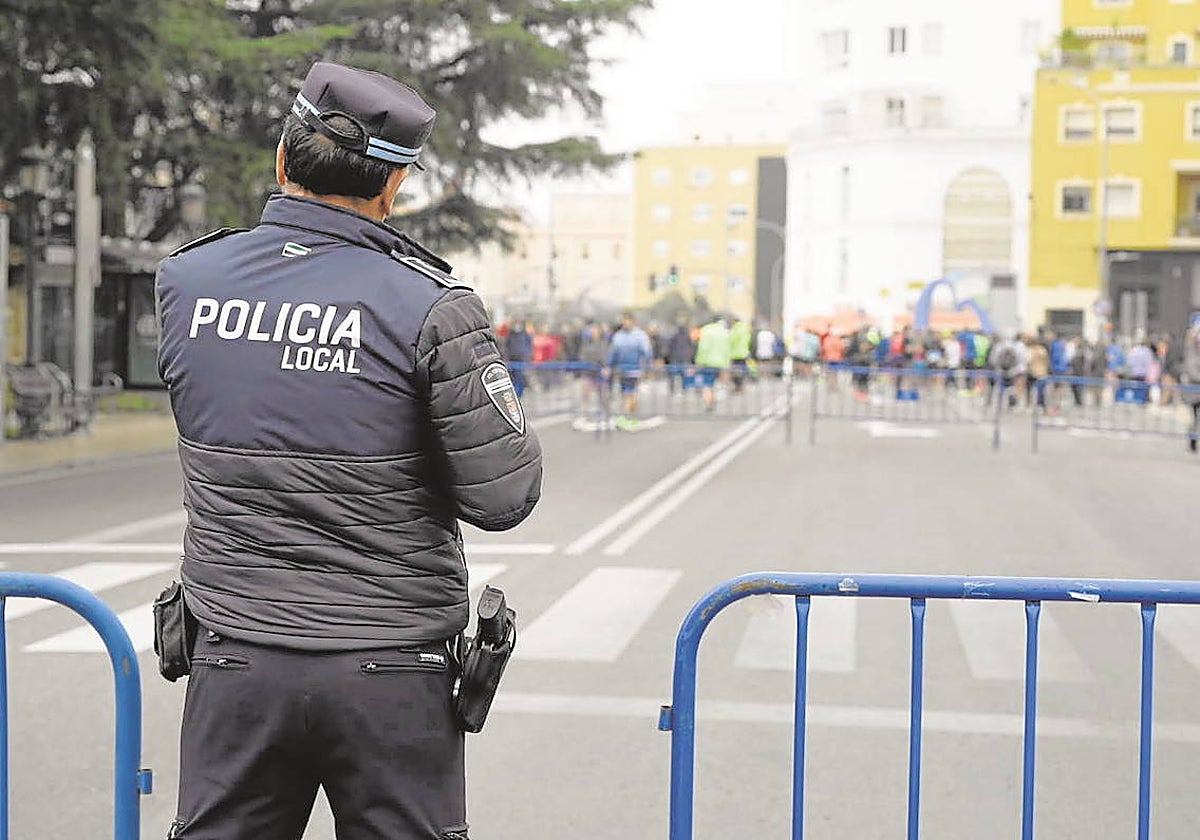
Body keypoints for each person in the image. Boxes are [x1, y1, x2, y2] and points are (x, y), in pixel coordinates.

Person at [154, 61, 543, 840]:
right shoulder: (431, 306)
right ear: (392, 188)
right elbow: (504, 497)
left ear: (283, 159)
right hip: (391, 668)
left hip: (235, 653)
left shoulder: (187, 282)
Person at [605, 311, 653, 427]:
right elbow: (613, 352)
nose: (625, 323)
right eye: (623, 321)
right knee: (627, 393)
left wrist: (647, 368)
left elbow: (647, 352)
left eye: (627, 321)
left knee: (629, 392)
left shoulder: (640, 335)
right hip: (621, 369)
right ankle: (631, 416)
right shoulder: (618, 336)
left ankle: (626, 417)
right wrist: (608, 366)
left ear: (632, 322)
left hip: (635, 368)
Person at [695, 315, 732, 411]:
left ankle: (708, 402)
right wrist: (728, 361)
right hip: (721, 362)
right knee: (718, 383)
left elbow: (702, 347)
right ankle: (713, 399)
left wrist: (698, 360)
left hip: (707, 361)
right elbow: (727, 348)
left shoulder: (705, 330)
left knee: (707, 384)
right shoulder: (724, 331)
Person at [1181, 328, 1200, 453]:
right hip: (1195, 394)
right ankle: (1193, 440)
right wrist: (1195, 331)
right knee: (1195, 419)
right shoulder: (1192, 355)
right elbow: (1194, 374)